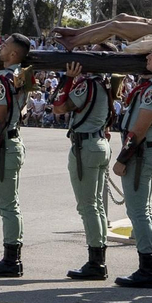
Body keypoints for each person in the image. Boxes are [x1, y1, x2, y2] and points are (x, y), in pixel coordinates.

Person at [107, 39, 152, 288]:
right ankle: (146, 267)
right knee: (139, 211)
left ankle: (147, 270)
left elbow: (141, 125)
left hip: (139, 154)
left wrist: (122, 158)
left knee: (138, 212)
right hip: (143, 152)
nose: (147, 58)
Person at [53, 55, 113, 281]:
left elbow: (59, 107)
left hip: (86, 145)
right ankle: (98, 258)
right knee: (96, 205)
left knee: (88, 206)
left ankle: (96, 261)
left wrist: (67, 80)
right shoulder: (104, 83)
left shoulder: (88, 84)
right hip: (98, 142)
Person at [0, 34, 33, 278]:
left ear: (13, 55)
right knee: (11, 204)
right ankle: (13, 258)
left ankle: (12, 260)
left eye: (5, 46)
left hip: (3, 145)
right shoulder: (22, 77)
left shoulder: (5, 81)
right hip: (12, 141)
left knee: (7, 206)